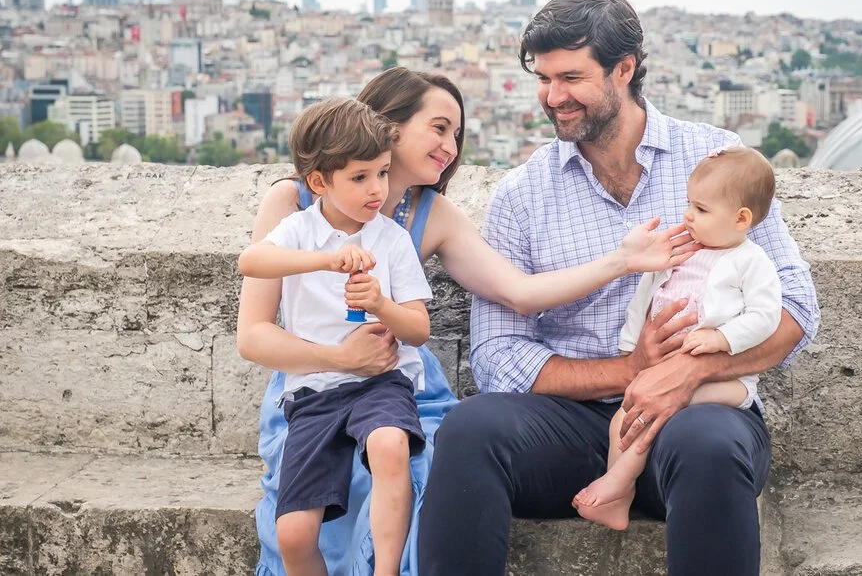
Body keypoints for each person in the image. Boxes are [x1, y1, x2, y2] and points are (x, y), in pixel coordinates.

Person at [417, 0, 820, 576]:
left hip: (695, 414)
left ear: (624, 69)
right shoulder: (524, 193)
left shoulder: (715, 157)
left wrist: (685, 372)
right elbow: (498, 357)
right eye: (543, 78)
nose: (553, 97)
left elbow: (795, 311)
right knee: (470, 430)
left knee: (710, 444)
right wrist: (629, 373)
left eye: (571, 77)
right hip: (574, 427)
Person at [237, 67, 700, 575]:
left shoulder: (428, 214)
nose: (450, 147)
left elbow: (520, 293)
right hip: (312, 384)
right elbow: (254, 334)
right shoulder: (294, 204)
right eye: (439, 128)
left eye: (457, 134)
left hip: (400, 387)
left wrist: (622, 260)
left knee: (422, 464)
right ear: (388, 126)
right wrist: (338, 357)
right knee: (325, 498)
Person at [239, 98, 435, 576]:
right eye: (361, 177)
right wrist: (325, 259)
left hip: (381, 383)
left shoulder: (389, 239)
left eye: (383, 174)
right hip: (314, 392)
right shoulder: (299, 231)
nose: (377, 190)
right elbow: (251, 261)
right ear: (319, 182)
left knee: (389, 444)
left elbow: (419, 328)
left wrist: (382, 305)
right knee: (293, 534)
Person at [574, 145, 783, 531]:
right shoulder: (682, 252)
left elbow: (765, 316)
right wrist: (630, 345)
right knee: (624, 415)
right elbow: (645, 297)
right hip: (658, 372)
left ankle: (619, 482)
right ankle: (616, 496)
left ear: (741, 219)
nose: (688, 215)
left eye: (701, 210)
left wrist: (723, 338)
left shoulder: (751, 261)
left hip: (725, 384)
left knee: (651, 414)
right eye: (690, 204)